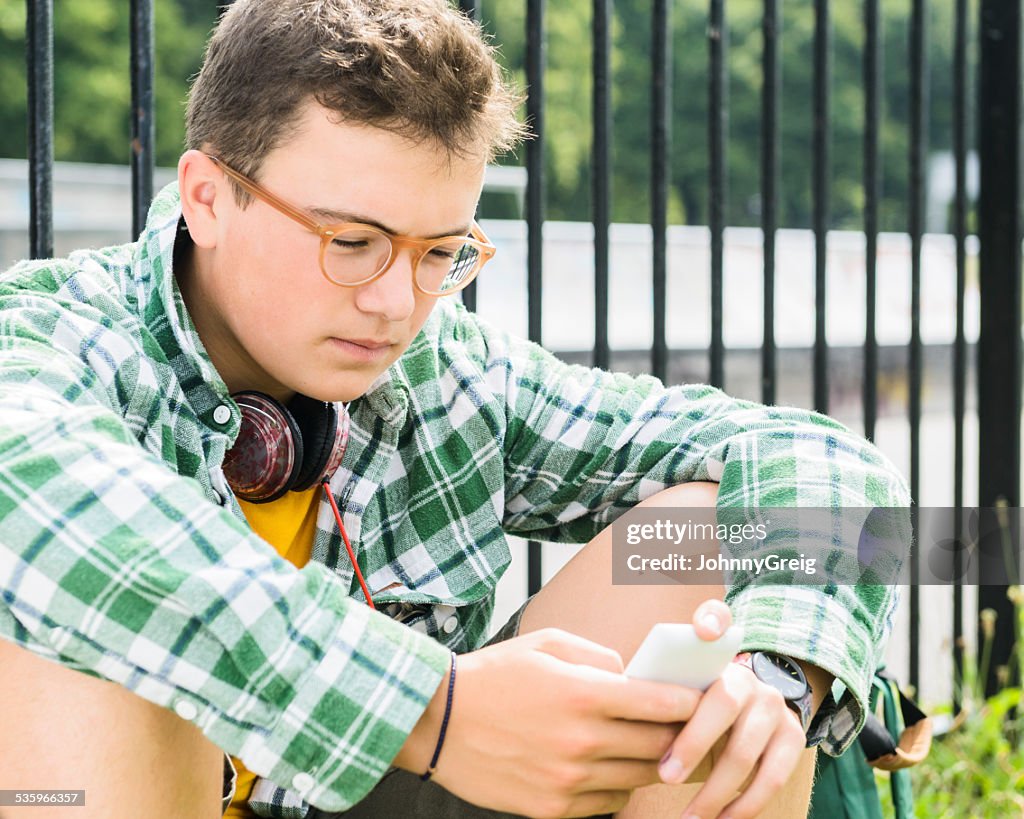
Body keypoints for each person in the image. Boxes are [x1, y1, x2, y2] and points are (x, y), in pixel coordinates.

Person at [0, 1, 910, 818]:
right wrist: (437, 712)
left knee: (715, 530)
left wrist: (784, 668)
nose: (398, 304)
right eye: (352, 242)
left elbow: (812, 457)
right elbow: (52, 526)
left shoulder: (447, 369)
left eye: (439, 252)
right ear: (208, 197)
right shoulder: (48, 341)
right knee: (65, 629)